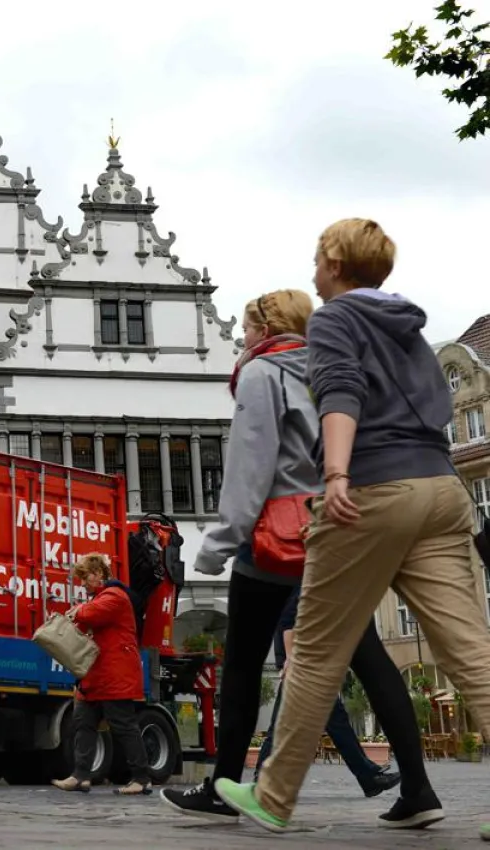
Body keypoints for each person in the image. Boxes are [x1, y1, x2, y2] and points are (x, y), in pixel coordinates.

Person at [213, 219, 490, 838]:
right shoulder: (410, 329)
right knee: (471, 650)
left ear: (337, 265)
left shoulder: (336, 319)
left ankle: (274, 797)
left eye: (318, 259)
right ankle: (404, 791)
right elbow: (436, 409)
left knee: (312, 649)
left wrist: (335, 472)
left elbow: (339, 392)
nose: (313, 270)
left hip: (373, 488)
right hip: (442, 490)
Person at [161, 288, 431, 824]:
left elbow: (249, 470)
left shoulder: (262, 375)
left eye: (245, 328)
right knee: (369, 658)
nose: (242, 338)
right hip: (341, 530)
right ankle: (419, 790)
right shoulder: (339, 371)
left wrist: (215, 547)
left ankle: (222, 786)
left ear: (265, 328)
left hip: (273, 540)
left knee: (240, 665)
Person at [254, 587, 399, 796]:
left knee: (333, 722)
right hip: (303, 665)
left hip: (308, 663)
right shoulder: (299, 580)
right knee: (282, 725)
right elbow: (288, 621)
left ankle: (369, 777)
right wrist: (291, 659)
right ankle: (260, 782)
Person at [51, 553, 152, 795]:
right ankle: (80, 776)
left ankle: (141, 778)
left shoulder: (114, 596)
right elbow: (83, 622)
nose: (83, 583)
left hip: (115, 675)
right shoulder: (100, 598)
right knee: (83, 723)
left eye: (85, 577)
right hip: (97, 676)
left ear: (98, 574)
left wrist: (78, 610)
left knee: (124, 725)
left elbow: (89, 615)